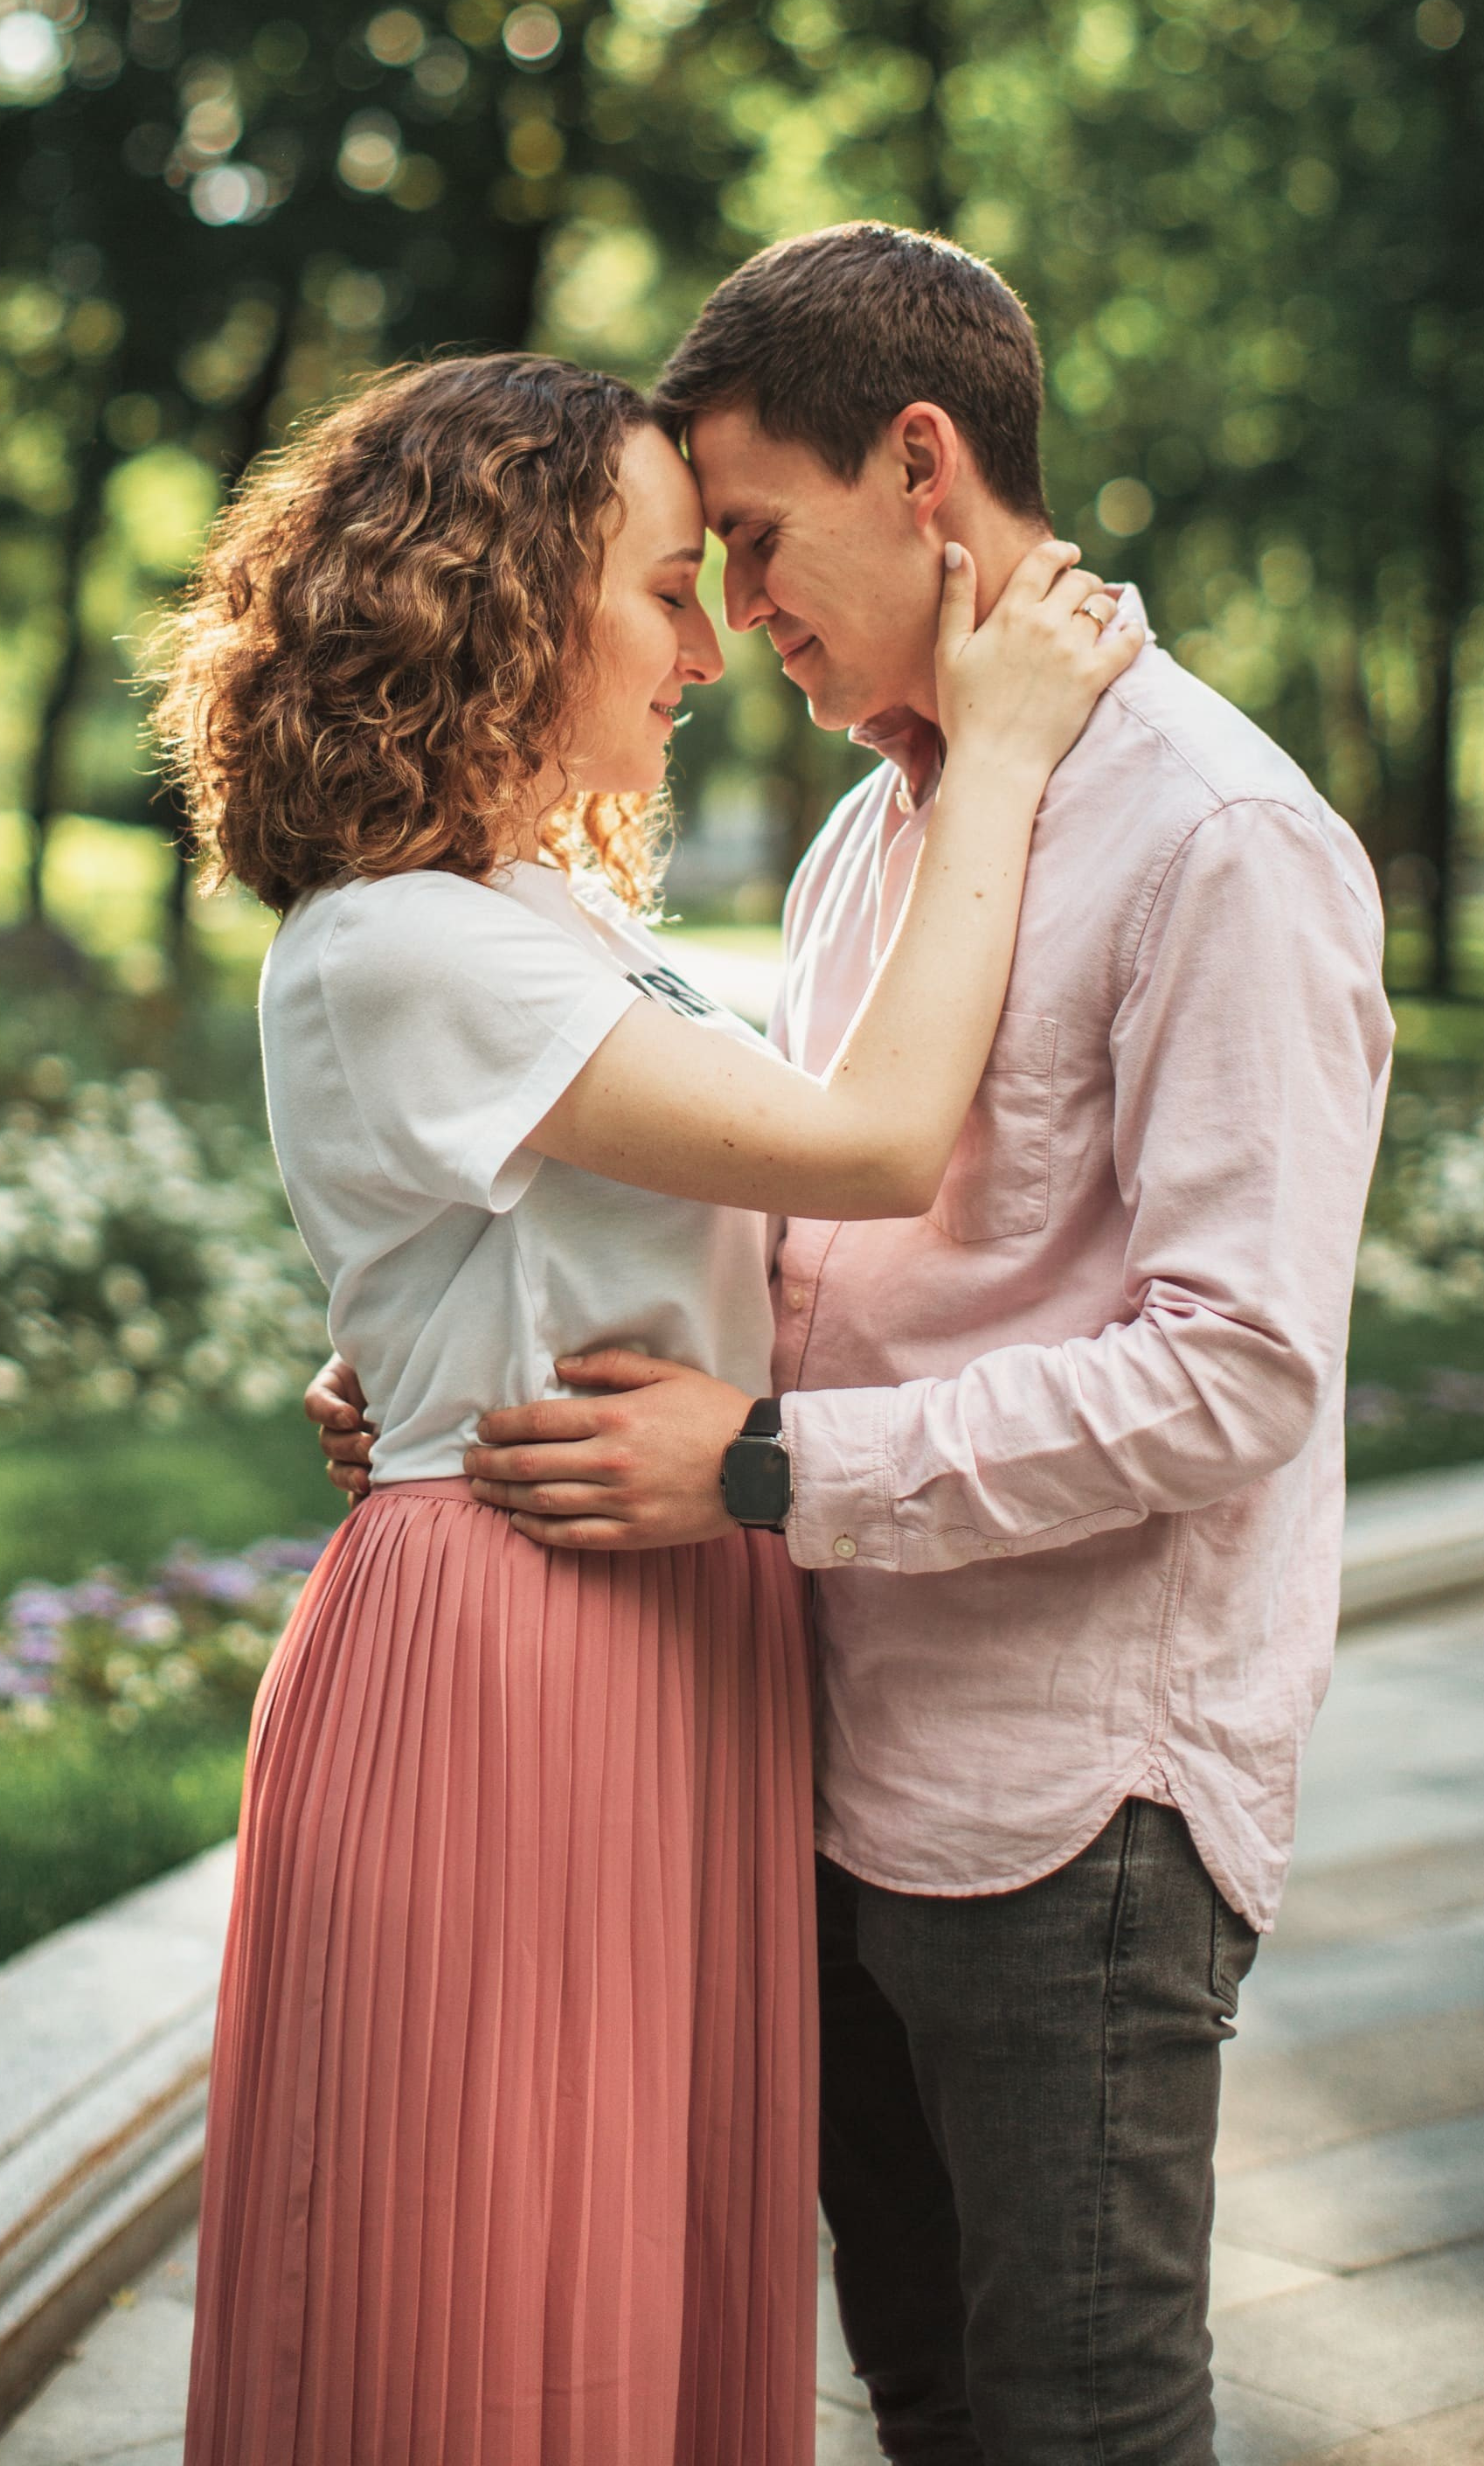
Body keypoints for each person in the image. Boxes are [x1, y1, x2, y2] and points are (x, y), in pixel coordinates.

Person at [311, 227, 1394, 2466]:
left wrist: (769, 1469)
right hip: (827, 1765)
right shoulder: (861, 841)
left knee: (1075, 2427)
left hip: (1063, 1804)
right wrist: (469, 1358)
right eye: (689, 569)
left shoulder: (1219, 839)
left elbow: (1236, 1377)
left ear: (925, 468)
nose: (727, 618)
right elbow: (803, 1231)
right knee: (922, 2405)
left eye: (757, 542)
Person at [155, 345, 1133, 2466]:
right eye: (665, 589)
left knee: (639, 2273)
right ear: (504, 606)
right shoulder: (410, 938)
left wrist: (425, 1337)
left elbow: (658, 1216)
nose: (705, 647)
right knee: (502, 2291)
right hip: (527, 1641)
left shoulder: (535, 913)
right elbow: (870, 1139)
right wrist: (1001, 759)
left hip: (666, 1619)